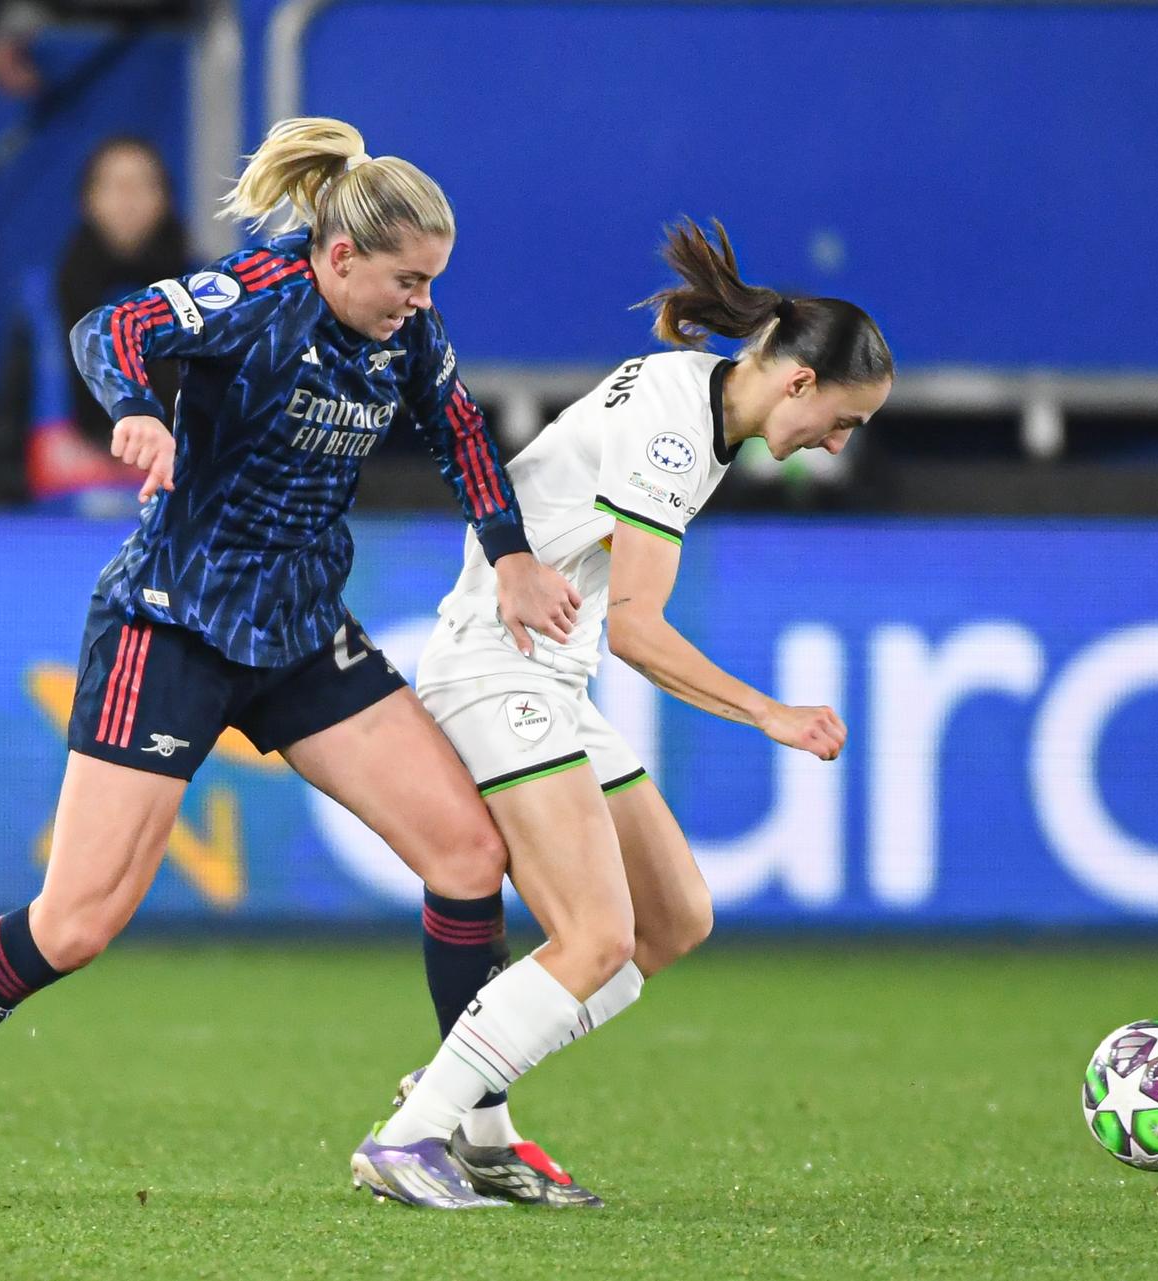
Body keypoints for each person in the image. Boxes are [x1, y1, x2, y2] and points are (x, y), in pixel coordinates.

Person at [0, 117, 579, 1210]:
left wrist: (511, 553)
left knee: (469, 856)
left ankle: (475, 1126)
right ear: (339, 257)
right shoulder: (253, 296)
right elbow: (113, 324)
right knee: (77, 923)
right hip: (173, 626)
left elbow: (461, 428)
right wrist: (138, 411)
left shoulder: (405, 334)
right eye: (407, 278)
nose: (422, 300)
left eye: (432, 280)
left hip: (295, 631)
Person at [352, 219, 893, 1208]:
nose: (839, 443)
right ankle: (411, 1138)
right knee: (596, 935)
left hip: (550, 673)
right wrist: (765, 713)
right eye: (844, 420)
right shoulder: (680, 433)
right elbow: (640, 628)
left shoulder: (697, 402)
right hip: (496, 668)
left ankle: (463, 1099)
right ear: (800, 382)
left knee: (673, 918)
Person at [0, 135, 192, 503]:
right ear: (87, 200)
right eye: (115, 186)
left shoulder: (203, 295)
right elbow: (9, 428)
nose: (128, 200)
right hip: (60, 506)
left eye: (143, 185)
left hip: (176, 502)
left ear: (165, 198)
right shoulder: (44, 297)